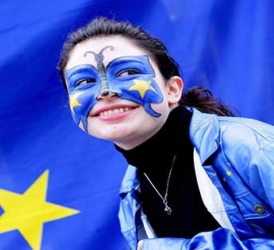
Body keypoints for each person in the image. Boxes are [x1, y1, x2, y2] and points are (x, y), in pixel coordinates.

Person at [57, 17, 274, 250]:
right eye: (84, 81)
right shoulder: (131, 201)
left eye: (127, 72)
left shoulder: (250, 147)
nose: (105, 92)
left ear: (172, 90)